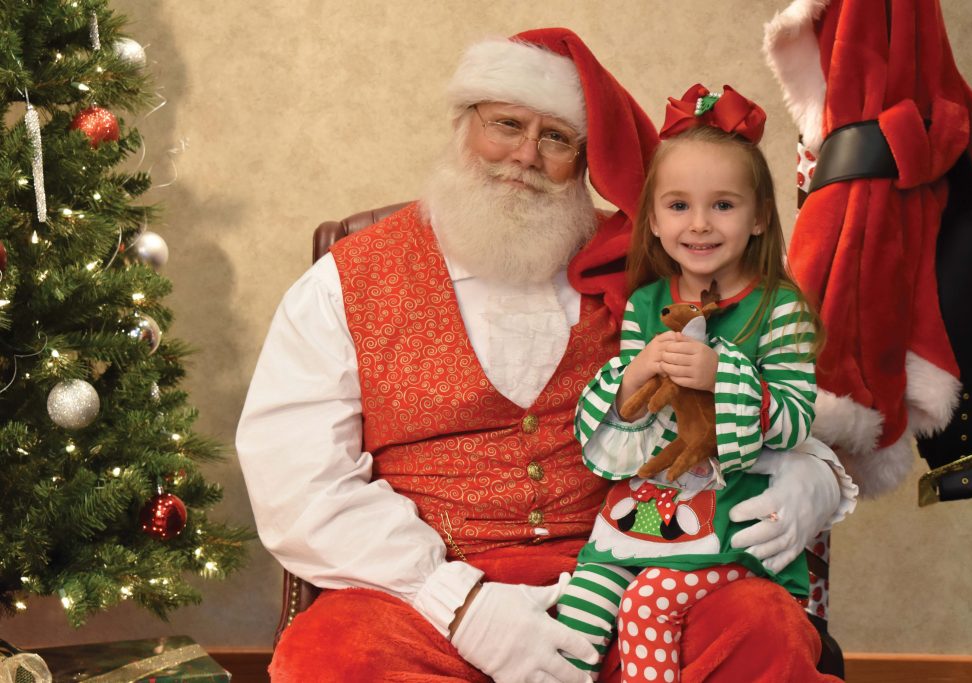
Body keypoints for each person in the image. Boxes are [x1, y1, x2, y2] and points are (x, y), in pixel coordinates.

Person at [236, 30, 856, 682]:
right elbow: (300, 480)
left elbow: (753, 373)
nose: (526, 155)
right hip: (427, 596)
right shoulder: (346, 281)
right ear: (463, 126)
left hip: (629, 569)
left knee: (761, 625)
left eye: (556, 138)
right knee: (329, 658)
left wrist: (813, 474)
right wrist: (462, 604)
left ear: (585, 159)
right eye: (506, 125)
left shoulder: (647, 270)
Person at [557, 84, 852, 683]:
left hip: (732, 520)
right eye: (678, 206)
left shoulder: (780, 310)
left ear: (760, 216)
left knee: (647, 602)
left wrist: (726, 376)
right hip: (650, 498)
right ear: (655, 220)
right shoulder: (646, 305)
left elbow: (797, 419)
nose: (699, 225)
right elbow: (637, 423)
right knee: (581, 604)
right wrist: (635, 374)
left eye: (722, 205)